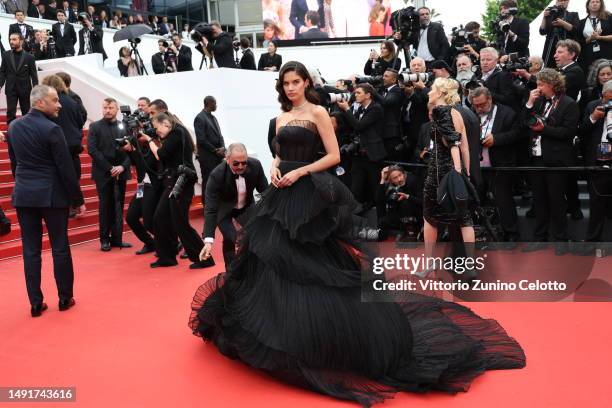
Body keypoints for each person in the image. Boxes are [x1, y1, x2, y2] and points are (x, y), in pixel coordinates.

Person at [189, 61, 525, 406]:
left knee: (313, 261)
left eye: (295, 82)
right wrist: (276, 167)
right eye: (285, 83)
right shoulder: (280, 116)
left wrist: (300, 171)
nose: (290, 88)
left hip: (307, 191)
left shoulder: (318, 112)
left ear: (306, 82)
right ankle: (280, 331)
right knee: (272, 260)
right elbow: (278, 153)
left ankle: (320, 336)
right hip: (281, 193)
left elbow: (333, 156)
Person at [7, 85, 85, 317]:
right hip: (52, 196)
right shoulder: (52, 129)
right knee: (60, 247)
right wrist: (77, 199)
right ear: (40, 102)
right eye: (54, 100)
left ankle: (35, 303)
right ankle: (64, 298)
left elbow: (14, 163)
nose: (59, 104)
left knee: (30, 250)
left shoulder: (13, 127)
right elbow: (65, 168)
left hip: (24, 195)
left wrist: (23, 184)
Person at [521, 69, 580, 254]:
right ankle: (540, 237)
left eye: (541, 84)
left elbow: (568, 132)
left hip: (557, 160)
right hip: (536, 157)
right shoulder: (538, 101)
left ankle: (561, 240)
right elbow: (524, 121)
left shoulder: (569, 104)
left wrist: (544, 129)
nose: (538, 88)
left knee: (557, 201)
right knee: (539, 200)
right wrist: (529, 103)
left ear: (552, 84)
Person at [421, 78, 475, 273]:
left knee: (429, 217)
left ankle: (428, 264)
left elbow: (454, 144)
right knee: (464, 218)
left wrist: (457, 172)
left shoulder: (440, 111)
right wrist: (465, 174)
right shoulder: (456, 113)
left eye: (432, 89)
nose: (428, 92)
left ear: (441, 93)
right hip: (452, 173)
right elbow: (466, 148)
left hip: (439, 175)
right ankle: (470, 265)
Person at [143, 113, 207, 269]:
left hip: (181, 181)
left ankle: (204, 258)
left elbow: (161, 155)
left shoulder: (177, 132)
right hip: (174, 180)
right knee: (159, 218)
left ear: (165, 123)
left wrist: (150, 140)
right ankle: (167, 257)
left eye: (157, 129)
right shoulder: (175, 133)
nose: (156, 132)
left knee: (181, 223)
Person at [200, 143, 268, 266]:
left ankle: (252, 269)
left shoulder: (255, 166)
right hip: (224, 209)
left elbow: (265, 192)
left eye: (244, 162)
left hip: (246, 207)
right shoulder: (217, 175)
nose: (241, 166)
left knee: (253, 236)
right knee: (231, 237)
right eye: (236, 163)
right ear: (227, 159)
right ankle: (231, 272)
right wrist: (208, 241)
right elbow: (210, 209)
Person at [469, 87, 521, 243]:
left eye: (482, 104)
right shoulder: (472, 114)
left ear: (490, 99)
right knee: (476, 200)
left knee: (504, 200)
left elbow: (517, 134)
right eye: (475, 105)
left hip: (500, 163)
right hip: (478, 166)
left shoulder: (507, 113)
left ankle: (511, 234)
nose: (478, 108)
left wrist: (496, 139)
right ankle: (478, 233)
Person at [87, 98, 133, 252]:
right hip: (103, 173)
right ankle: (104, 239)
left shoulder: (125, 126)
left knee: (119, 206)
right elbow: (92, 150)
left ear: (117, 109)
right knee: (105, 206)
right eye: (105, 107)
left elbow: (131, 150)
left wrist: (122, 167)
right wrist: (110, 168)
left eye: (110, 107)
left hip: (121, 171)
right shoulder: (94, 126)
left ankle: (117, 239)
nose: (107, 110)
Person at [41, 74, 86, 210]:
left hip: (57, 145)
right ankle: (75, 204)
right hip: (73, 145)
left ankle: (68, 205)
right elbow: (81, 119)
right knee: (74, 174)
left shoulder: (49, 105)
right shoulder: (72, 101)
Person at [580, 80, 612, 250]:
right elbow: (582, 130)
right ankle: (592, 242)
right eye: (609, 99)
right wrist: (593, 117)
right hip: (598, 161)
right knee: (596, 204)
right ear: (603, 96)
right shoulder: (593, 105)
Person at [0, 33, 38, 125]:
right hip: (11, 89)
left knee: (26, 113)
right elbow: (2, 72)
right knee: (10, 112)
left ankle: (27, 133)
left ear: (21, 41)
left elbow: (33, 75)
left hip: (25, 89)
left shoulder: (30, 57)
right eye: (10, 39)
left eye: (14, 39)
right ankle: (11, 133)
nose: (11, 42)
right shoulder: (5, 55)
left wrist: (36, 89)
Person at [194, 95, 225, 197]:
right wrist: (215, 150)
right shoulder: (199, 118)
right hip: (207, 158)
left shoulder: (213, 117)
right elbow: (201, 139)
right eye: (215, 103)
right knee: (208, 181)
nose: (216, 105)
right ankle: (206, 206)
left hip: (218, 157)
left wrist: (223, 148)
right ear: (209, 103)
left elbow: (220, 135)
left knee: (218, 181)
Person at [540, 0, 580, 68]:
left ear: (568, 2)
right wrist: (544, 17)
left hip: (566, 47)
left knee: (565, 68)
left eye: (564, 1)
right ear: (556, 2)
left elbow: (576, 30)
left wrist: (563, 23)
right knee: (548, 68)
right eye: (560, 0)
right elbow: (542, 31)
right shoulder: (551, 13)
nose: (562, 2)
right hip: (550, 47)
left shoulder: (573, 14)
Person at [577, 0, 612, 73]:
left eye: (597, 2)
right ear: (588, 5)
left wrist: (599, 37)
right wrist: (590, 38)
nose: (595, 4)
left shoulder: (609, 18)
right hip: (587, 56)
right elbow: (578, 42)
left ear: (601, 4)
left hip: (607, 54)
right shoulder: (581, 22)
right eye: (592, 2)